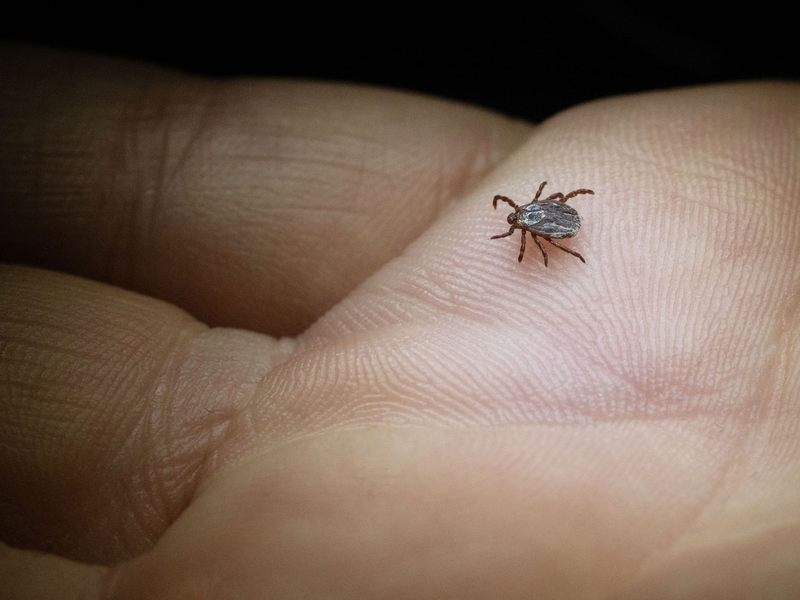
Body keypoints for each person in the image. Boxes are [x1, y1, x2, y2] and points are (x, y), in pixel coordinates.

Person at [1, 45, 798, 599]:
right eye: (525, 218)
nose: (526, 217)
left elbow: (549, 223)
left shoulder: (531, 225)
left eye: (524, 214)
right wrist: (550, 230)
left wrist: (542, 232)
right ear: (529, 220)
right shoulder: (536, 225)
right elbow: (557, 217)